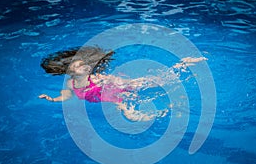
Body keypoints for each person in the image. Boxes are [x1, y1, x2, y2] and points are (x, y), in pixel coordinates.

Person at [39, 46, 207, 121]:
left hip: (119, 90)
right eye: (80, 66)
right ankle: (168, 110)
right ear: (72, 72)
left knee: (159, 81)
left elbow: (114, 83)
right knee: (133, 117)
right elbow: (67, 95)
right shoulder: (70, 84)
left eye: (85, 64)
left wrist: (126, 86)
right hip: (111, 100)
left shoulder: (96, 78)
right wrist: (53, 99)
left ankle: (182, 64)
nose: (86, 66)